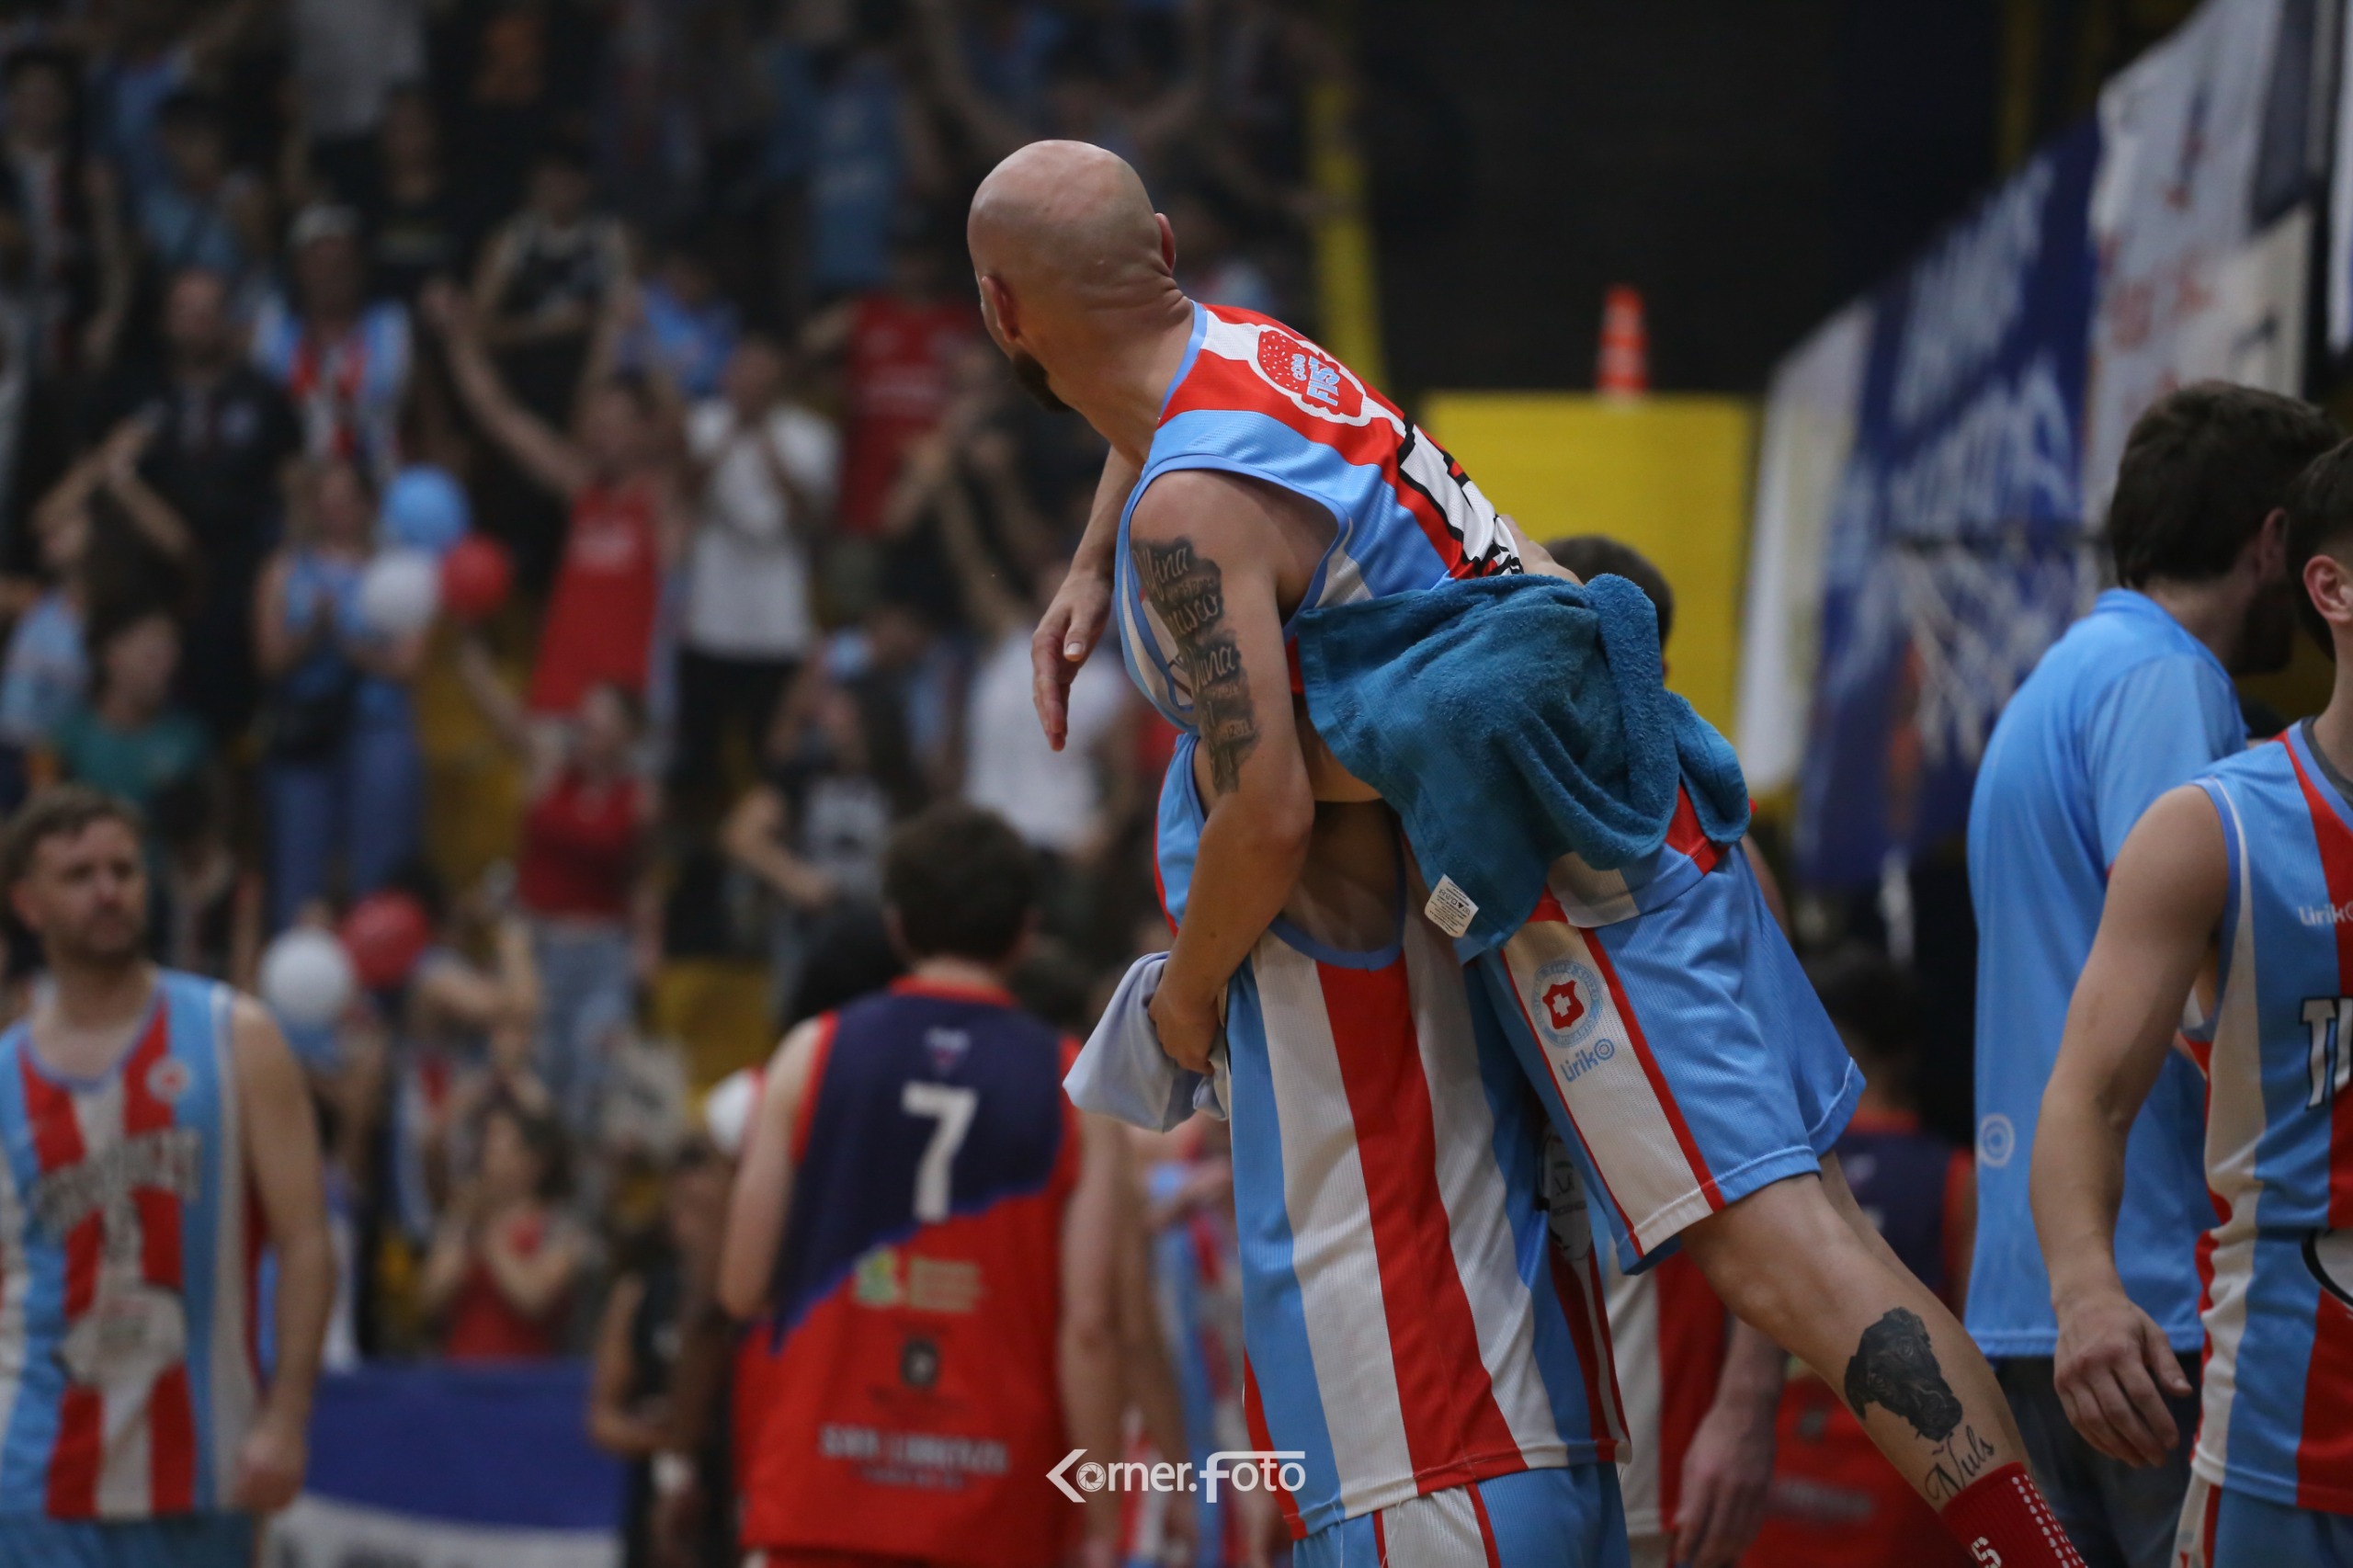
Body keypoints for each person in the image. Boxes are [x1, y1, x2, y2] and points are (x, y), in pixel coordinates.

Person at [981, 140, 2081, 1565]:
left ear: (1004, 312)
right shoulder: (1245, 349)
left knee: (1791, 1263)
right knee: (1819, 1247)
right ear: (1168, 252)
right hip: (1622, 781)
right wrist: (1086, 567)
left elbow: (1267, 816)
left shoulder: (1191, 512)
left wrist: (1181, 1008)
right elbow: (1144, 416)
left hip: (1581, 859)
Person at [1969, 383, 2337, 1564]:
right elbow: (2209, 993)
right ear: (2277, 543)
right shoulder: (2166, 683)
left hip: (2040, 1281)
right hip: (2154, 1293)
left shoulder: (2060, 675)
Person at [714, 802, 1129, 1568]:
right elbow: (1092, 1327)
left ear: (897, 925)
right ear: (1026, 932)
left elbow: (741, 1287)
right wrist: (1103, 1520)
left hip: (821, 1489)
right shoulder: (1075, 1086)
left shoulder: (811, 1054)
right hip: (996, 1503)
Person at [0, 785, 332, 1565]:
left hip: (203, 1469)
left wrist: (287, 1418)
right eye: (79, 875)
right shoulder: (4, 1075)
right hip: (33, 1469)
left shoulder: (235, 1036)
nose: (108, 891)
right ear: (28, 904)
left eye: (124, 870)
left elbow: (308, 1243)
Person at [1542, 533, 1784, 1568]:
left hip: (1657, 1395)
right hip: (1499, 1404)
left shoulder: (1716, 859)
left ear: (1653, 674)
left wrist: (1746, 1403)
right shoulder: (1471, 834)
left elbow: (1787, 1160)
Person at [1747, 948, 1975, 1568]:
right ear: (1905, 1051)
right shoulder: (1955, 1179)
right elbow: (1976, 1358)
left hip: (1779, 1484)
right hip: (1907, 1499)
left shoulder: (1772, 1176)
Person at [428, 279, 685, 714]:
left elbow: (679, 433)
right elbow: (500, 415)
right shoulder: (582, 487)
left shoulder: (663, 497)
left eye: (616, 426)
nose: (602, 437)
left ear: (646, 430)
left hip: (627, 714)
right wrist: (458, 340)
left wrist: (643, 338)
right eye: (598, 426)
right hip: (560, 696)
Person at [456, 634, 661, 1147]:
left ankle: (581, 1177)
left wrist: (646, 946)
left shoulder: (639, 799)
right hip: (536, 945)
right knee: (534, 1067)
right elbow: (507, 722)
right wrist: (476, 667)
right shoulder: (550, 765)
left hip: (600, 947)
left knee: (593, 1072)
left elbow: (643, 877)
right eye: (584, 716)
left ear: (627, 733)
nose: (587, 726)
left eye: (601, 719)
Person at [85, 267, 303, 741]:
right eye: (185, 310)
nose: (197, 321)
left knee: (231, 721)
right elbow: (97, 472)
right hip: (148, 584)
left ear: (229, 319)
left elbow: (293, 482)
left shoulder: (264, 395)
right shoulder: (134, 390)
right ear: (164, 319)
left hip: (237, 582)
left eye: (209, 309)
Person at [253, 456, 428, 930]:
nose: (336, 511)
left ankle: (380, 959)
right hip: (305, 734)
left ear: (369, 506)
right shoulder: (285, 569)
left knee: (381, 863)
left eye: (347, 500)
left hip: (378, 728)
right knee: (298, 862)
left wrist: (348, 644)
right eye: (326, 501)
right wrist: (313, 633)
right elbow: (268, 661)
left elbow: (409, 665)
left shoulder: (398, 573)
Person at [674, 335, 838, 813]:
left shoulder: (810, 434)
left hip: (776, 624)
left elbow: (807, 516)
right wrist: (731, 435)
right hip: (710, 619)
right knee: (699, 755)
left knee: (770, 751)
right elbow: (686, 491)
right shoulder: (703, 424)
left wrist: (765, 440)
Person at [590, 1138, 735, 1568]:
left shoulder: (747, 1300)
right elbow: (601, 1419)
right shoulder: (641, 1293)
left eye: (706, 1209)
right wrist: (669, 1438)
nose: (692, 1225)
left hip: (726, 1504)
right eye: (683, 1207)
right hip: (655, 1501)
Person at [250, 203, 415, 485]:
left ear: (360, 265)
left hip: (380, 477)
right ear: (297, 268)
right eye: (319, 262)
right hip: (295, 482)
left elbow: (423, 415)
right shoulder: (273, 326)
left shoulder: (392, 325)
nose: (331, 272)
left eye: (342, 261)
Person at [421, 1088, 585, 1360]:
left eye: (502, 1149)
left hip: (526, 1375)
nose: (489, 1158)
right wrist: (464, 1231)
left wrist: (490, 1236)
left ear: (534, 1162)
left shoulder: (559, 1225)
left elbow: (534, 1298)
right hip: (460, 1370)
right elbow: (429, 1298)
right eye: (488, 1147)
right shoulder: (464, 1216)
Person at [46, 607, 210, 823]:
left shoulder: (188, 736)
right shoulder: (69, 738)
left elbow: (214, 826)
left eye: (172, 654)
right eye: (152, 656)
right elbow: (45, 817)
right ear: (111, 654)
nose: (165, 668)